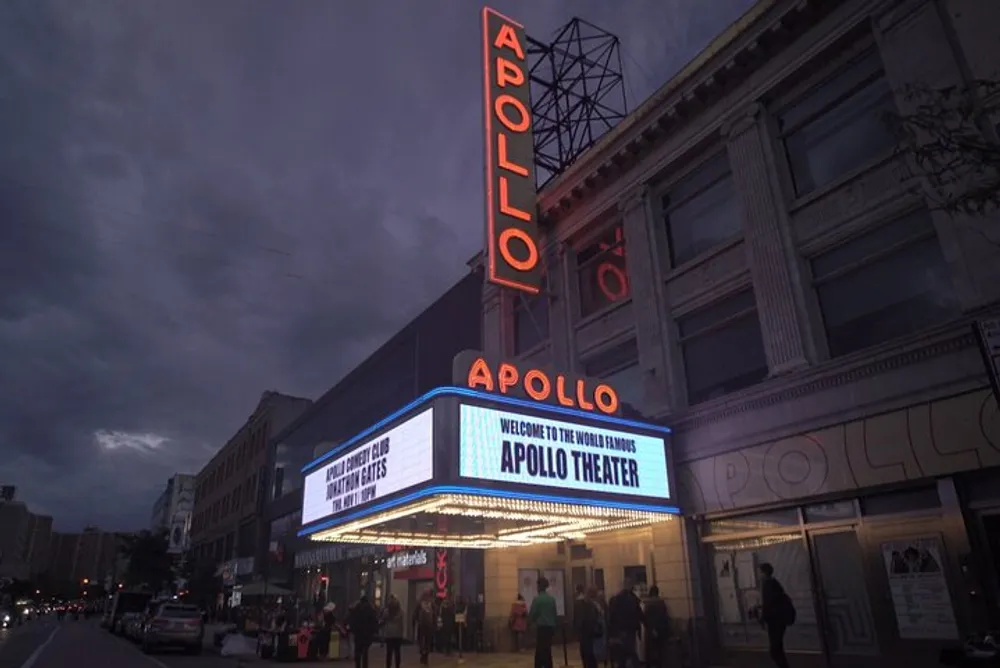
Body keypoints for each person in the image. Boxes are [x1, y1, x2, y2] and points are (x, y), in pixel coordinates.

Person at [759, 562, 793, 668]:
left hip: (775, 621)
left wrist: (763, 618)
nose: (758, 575)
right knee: (777, 647)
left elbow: (769, 603)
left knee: (775, 650)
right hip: (779, 620)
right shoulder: (774, 584)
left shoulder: (768, 585)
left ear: (764, 573)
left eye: (760, 572)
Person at [607, 578, 644, 668]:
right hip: (629, 629)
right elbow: (639, 614)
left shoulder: (616, 599)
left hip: (620, 630)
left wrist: (611, 632)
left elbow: (611, 616)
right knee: (630, 651)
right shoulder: (632, 599)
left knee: (623, 653)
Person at [528, 576, 557, 668]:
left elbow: (533, 614)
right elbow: (554, 614)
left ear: (539, 586)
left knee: (540, 650)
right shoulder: (551, 599)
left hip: (541, 628)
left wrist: (529, 624)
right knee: (548, 650)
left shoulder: (537, 600)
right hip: (550, 628)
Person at [347, 595, 379, 668]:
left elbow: (352, 621)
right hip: (367, 635)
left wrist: (353, 630)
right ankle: (365, 666)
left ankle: (357, 665)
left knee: (357, 651)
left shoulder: (356, 609)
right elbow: (374, 622)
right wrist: (374, 631)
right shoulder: (371, 610)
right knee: (365, 652)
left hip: (358, 634)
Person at [575, 587, 603, 668]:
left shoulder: (589, 605)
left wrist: (578, 630)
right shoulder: (595, 605)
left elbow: (582, 619)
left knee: (587, 654)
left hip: (587, 633)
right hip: (593, 633)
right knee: (591, 655)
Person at [642, 586, 670, 668]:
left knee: (649, 652)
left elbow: (645, 618)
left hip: (650, 631)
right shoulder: (661, 603)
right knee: (660, 651)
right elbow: (664, 618)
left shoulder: (648, 604)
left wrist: (650, 628)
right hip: (660, 630)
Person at [412, 589, 437, 665]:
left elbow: (434, 614)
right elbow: (434, 614)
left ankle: (424, 655)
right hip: (424, 625)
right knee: (424, 641)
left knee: (425, 642)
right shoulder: (427, 603)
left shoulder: (428, 603)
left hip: (425, 625)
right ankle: (424, 654)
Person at [380, 594, 404, 668]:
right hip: (398, 635)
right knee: (397, 652)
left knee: (389, 653)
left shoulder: (386, 611)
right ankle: (397, 666)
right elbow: (402, 623)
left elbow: (383, 620)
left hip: (389, 634)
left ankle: (388, 666)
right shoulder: (401, 612)